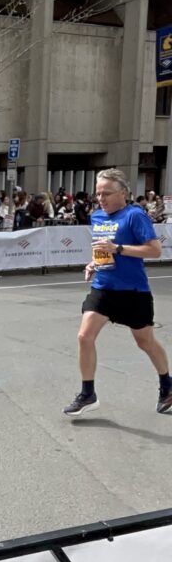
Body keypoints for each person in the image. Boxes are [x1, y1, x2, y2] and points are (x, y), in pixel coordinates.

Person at [63, 168, 171, 418]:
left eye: (107, 193)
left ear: (123, 192)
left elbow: (154, 251)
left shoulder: (135, 216)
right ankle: (87, 393)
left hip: (133, 291)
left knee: (145, 342)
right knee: (84, 336)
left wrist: (119, 248)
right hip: (104, 288)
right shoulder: (98, 217)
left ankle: (167, 385)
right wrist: (93, 264)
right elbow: (101, 250)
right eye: (98, 193)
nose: (101, 198)